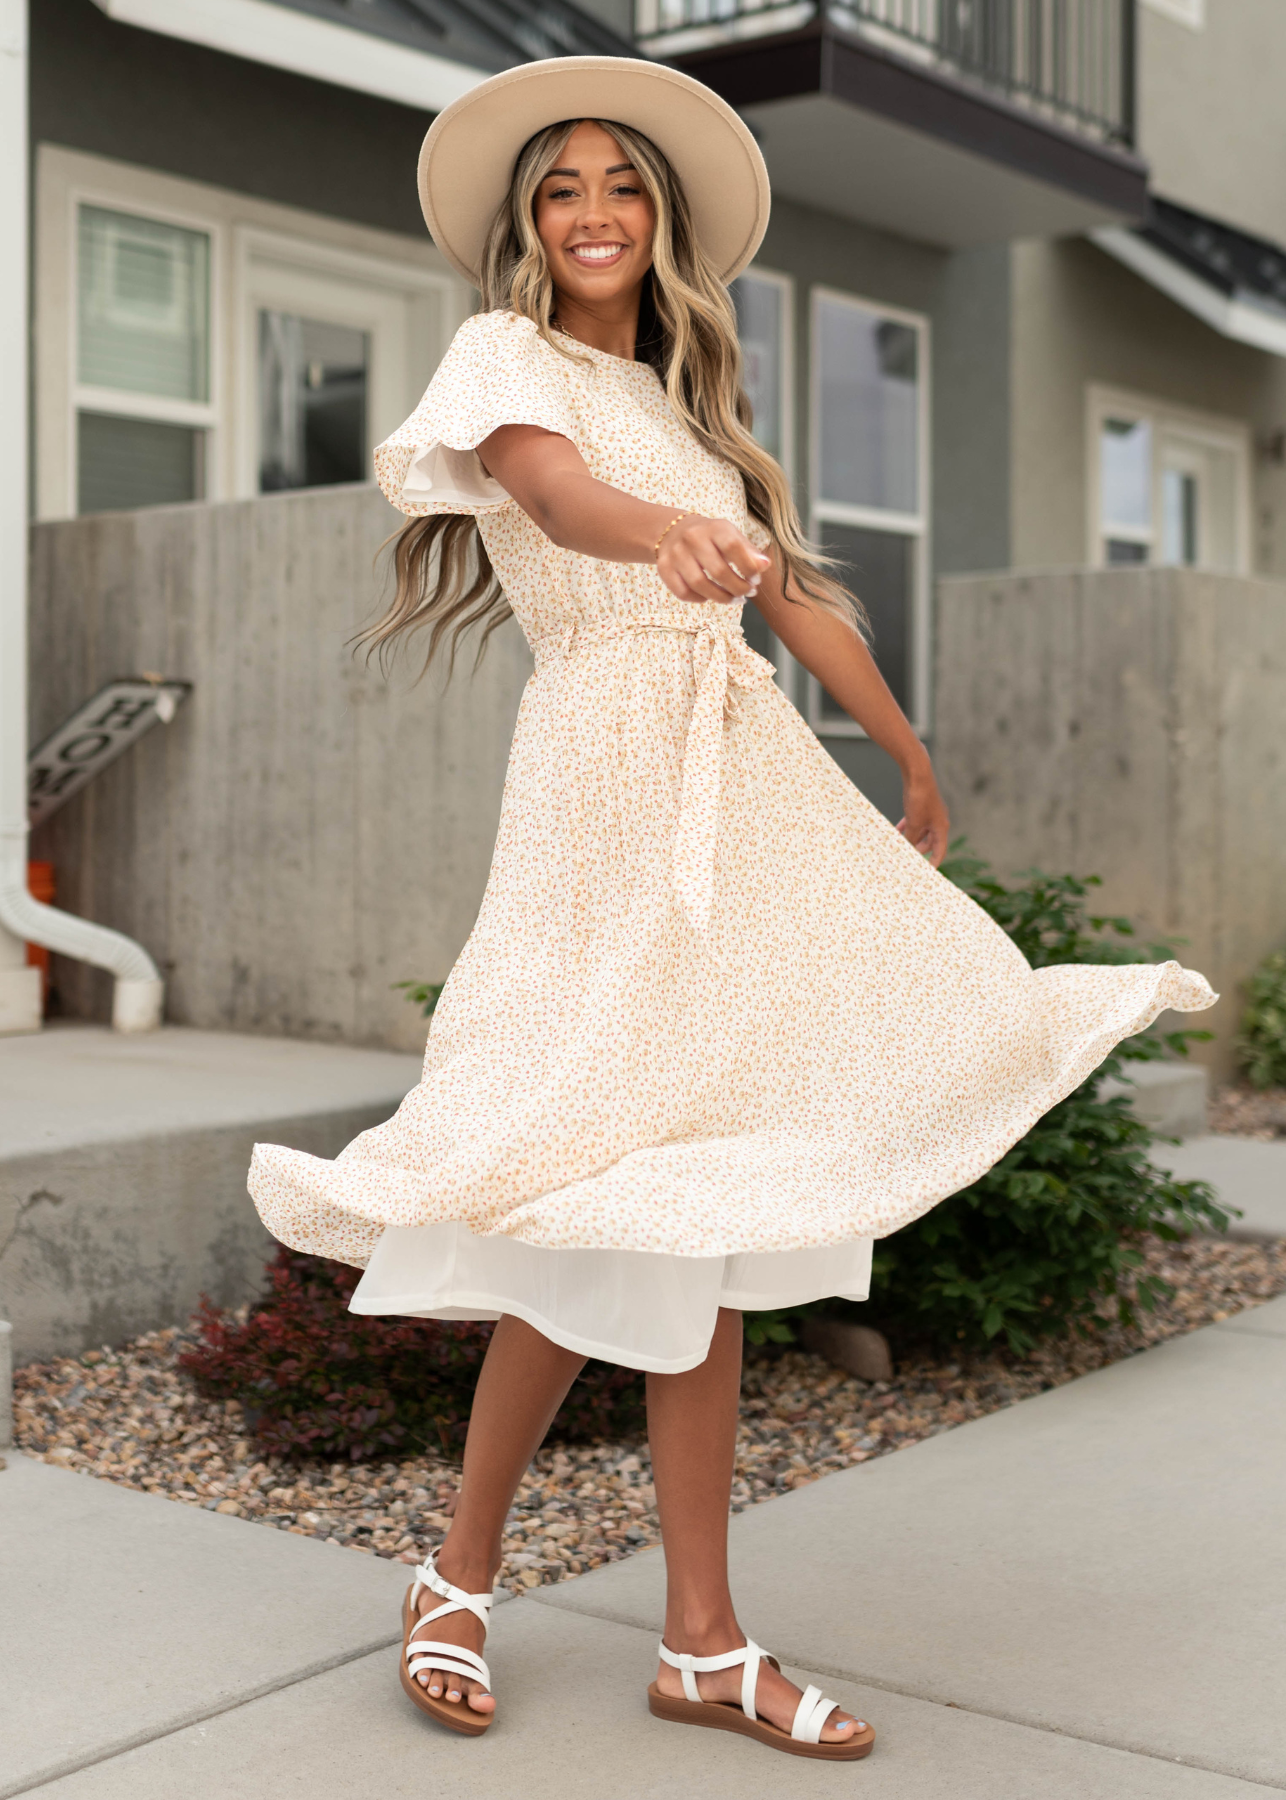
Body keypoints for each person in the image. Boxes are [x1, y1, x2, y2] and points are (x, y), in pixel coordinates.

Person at [248, 56, 1215, 1762]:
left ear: (662, 224)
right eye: (562, 191)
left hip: (751, 780)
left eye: (621, 187)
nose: (595, 212)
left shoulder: (702, 421)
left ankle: (700, 1641)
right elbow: (559, 499)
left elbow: (796, 595)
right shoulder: (505, 361)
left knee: (708, 1200)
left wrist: (909, 760)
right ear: (529, 230)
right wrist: (661, 543)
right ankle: (457, 1573)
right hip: (606, 783)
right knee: (583, 1181)